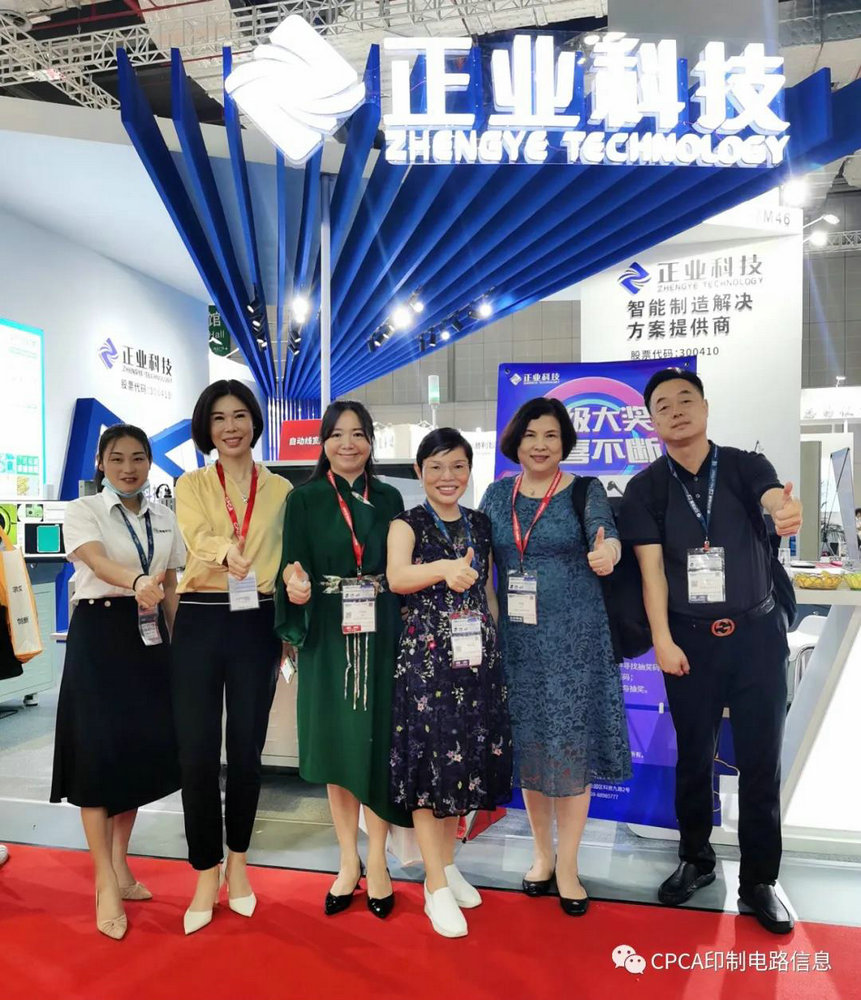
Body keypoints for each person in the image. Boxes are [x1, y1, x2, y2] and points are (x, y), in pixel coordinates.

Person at [618, 368, 803, 935]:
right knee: (694, 757)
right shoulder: (646, 488)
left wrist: (782, 509)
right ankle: (695, 859)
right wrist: (663, 640)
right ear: (651, 422)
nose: (676, 411)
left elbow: (771, 496)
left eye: (686, 400)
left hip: (756, 638)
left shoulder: (744, 465)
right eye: (663, 405)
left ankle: (760, 881)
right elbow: (652, 573)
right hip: (689, 643)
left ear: (704, 407)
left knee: (761, 762)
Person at [479, 397, 631, 917]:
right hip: (517, 645)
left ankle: (568, 865)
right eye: (530, 435)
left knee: (570, 753)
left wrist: (607, 553)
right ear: (515, 442)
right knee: (531, 751)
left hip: (575, 645)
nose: (540, 445)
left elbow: (608, 537)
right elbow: (480, 560)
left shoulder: (585, 491)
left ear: (564, 442)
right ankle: (542, 856)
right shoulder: (496, 495)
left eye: (550, 435)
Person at [275, 401, 410, 919]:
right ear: (324, 443)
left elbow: (402, 568)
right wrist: (295, 586)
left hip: (381, 630)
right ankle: (348, 860)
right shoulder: (304, 499)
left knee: (377, 742)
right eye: (337, 434)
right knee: (335, 745)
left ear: (371, 441)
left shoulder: (391, 497)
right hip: (328, 635)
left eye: (358, 434)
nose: (348, 444)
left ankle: (377, 860)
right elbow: (292, 564)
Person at [50, 424, 184, 940]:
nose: (128, 468)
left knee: (135, 754)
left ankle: (122, 864)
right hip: (99, 634)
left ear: (150, 463)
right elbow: (95, 560)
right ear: (101, 464)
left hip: (148, 640)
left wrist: (181, 648)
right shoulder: (83, 510)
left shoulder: (165, 518)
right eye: (118, 458)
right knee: (97, 755)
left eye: (138, 458)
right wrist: (136, 581)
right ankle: (103, 880)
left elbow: (171, 587)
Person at [172, 380, 291, 935]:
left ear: (254, 422)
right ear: (207, 427)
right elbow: (197, 535)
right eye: (219, 418)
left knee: (246, 750)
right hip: (200, 615)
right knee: (196, 753)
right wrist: (227, 551)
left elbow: (290, 556)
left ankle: (238, 864)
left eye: (240, 415)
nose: (230, 427)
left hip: (256, 619)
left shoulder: (281, 489)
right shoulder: (191, 483)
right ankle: (205, 870)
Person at [387, 428, 512, 939]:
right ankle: (434, 886)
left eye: (458, 466)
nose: (447, 476)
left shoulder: (480, 524)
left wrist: (493, 643)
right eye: (436, 467)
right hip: (426, 665)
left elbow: (488, 593)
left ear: (469, 470)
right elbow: (397, 578)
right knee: (428, 768)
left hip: (475, 662)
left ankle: (448, 864)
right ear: (420, 472)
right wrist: (441, 569)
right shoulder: (406, 523)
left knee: (460, 768)